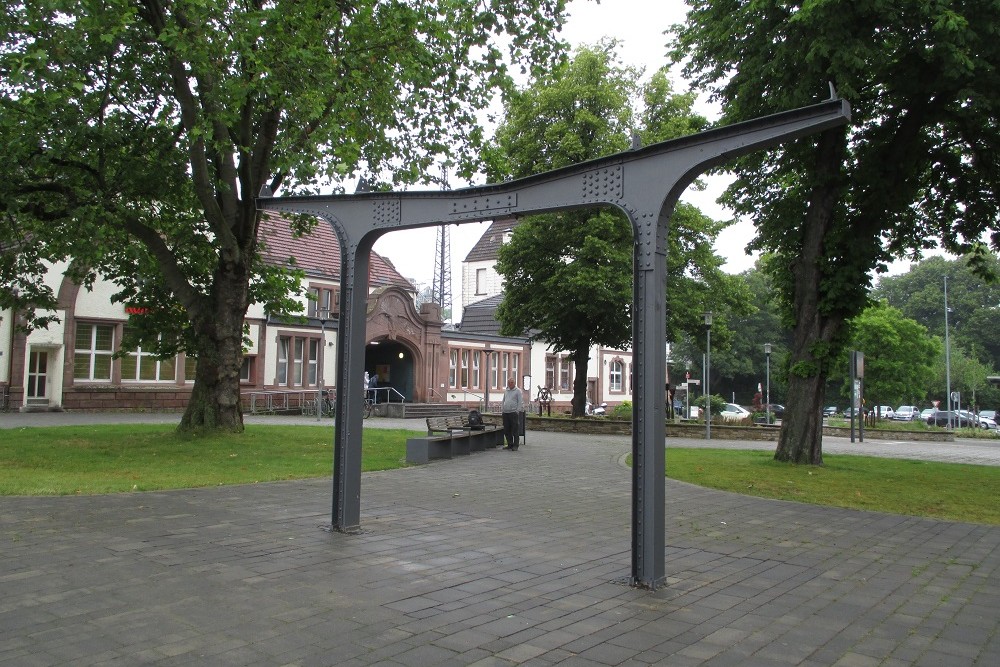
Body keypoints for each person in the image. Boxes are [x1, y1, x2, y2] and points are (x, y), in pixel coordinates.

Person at [501, 377, 525, 451]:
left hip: (513, 413)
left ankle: (515, 445)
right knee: (507, 430)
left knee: (515, 429)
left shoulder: (518, 391)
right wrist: (503, 408)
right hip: (505, 412)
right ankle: (509, 444)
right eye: (509, 383)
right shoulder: (506, 390)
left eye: (511, 382)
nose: (510, 384)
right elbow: (504, 400)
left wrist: (517, 411)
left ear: (514, 383)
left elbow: (520, 402)